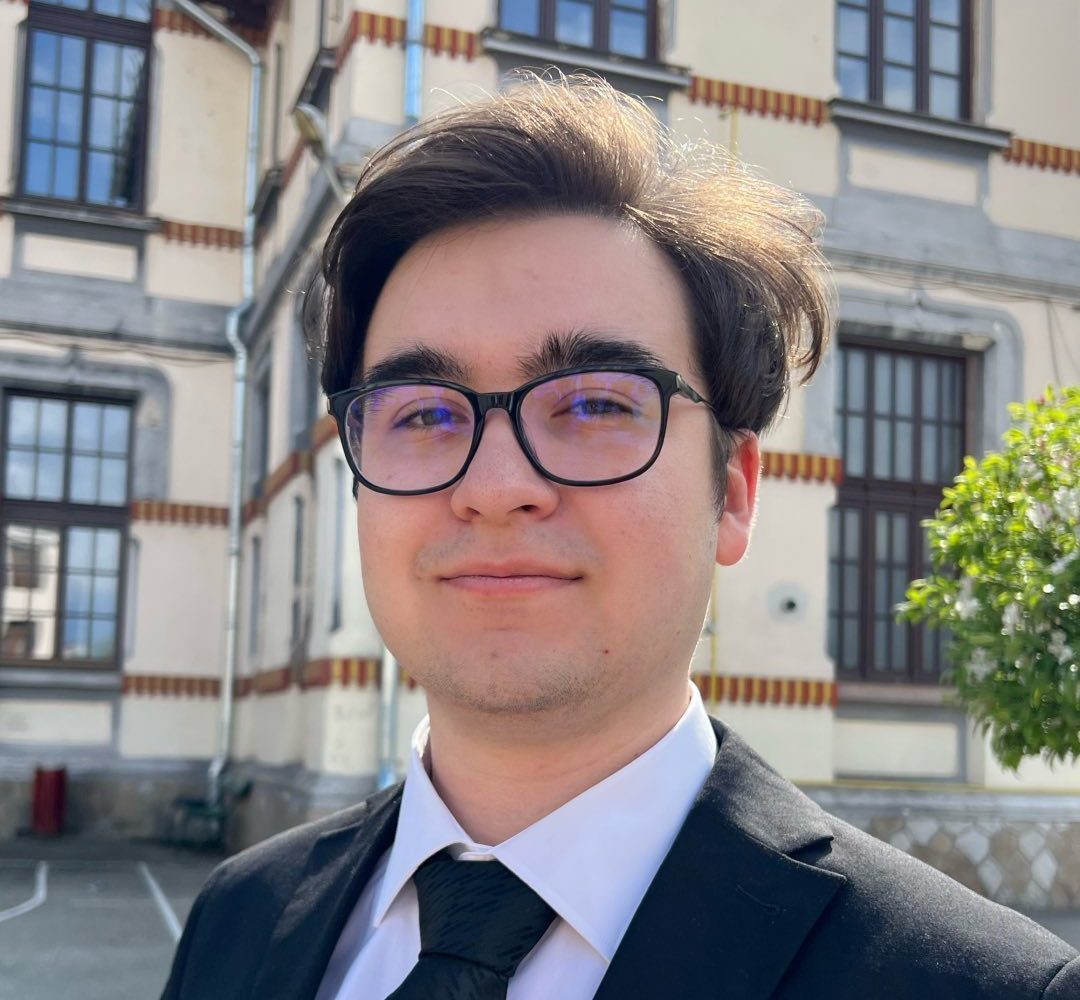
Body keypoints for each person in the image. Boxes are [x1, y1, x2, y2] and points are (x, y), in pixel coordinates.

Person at [161, 75, 1079, 999]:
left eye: (595, 405)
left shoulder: (984, 987)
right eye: (424, 414)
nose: (495, 489)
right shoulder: (239, 917)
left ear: (732, 492)